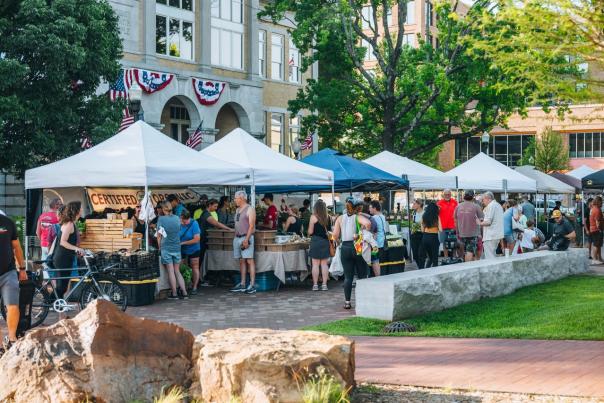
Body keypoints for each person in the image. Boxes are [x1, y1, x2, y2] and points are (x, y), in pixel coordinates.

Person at [332, 198, 371, 310]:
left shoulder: (340, 218)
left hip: (345, 247)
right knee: (362, 275)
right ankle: (362, 300)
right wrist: (362, 231)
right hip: (357, 247)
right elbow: (368, 223)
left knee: (348, 277)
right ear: (358, 208)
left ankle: (347, 302)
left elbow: (335, 235)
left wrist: (340, 242)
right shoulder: (358, 217)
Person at [0, 214, 27, 352]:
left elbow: (16, 247)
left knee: (13, 305)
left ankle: (12, 339)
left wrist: (22, 268)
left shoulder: (7, 222)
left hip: (8, 272)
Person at [52, 201, 84, 313]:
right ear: (76, 210)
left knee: (63, 286)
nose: (82, 210)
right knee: (61, 286)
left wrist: (77, 250)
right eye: (81, 208)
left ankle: (58, 306)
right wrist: (76, 249)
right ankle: (50, 302)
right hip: (62, 258)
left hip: (66, 258)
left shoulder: (71, 223)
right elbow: (63, 242)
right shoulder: (69, 224)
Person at [197, 198, 233, 286]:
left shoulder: (208, 213)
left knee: (201, 260)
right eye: (215, 206)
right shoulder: (206, 214)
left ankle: (199, 279)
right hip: (202, 239)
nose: (216, 208)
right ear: (209, 205)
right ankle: (198, 280)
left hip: (204, 239)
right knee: (200, 260)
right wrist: (228, 228)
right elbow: (216, 223)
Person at [157, 201, 188, 300]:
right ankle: (184, 292)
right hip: (177, 247)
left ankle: (174, 293)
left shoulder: (161, 219)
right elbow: (178, 230)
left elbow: (159, 236)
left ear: (162, 209)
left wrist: (159, 247)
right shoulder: (176, 218)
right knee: (177, 271)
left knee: (170, 271)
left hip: (166, 247)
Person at [230, 191, 257, 294]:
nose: (234, 200)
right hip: (237, 238)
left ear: (242, 198)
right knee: (241, 261)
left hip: (246, 237)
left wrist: (247, 239)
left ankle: (252, 285)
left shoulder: (250, 209)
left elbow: (251, 226)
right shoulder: (237, 210)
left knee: (249, 260)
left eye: (236, 198)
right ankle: (242, 284)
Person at [308, 200, 331, 291]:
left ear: (316, 208)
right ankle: (324, 285)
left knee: (315, 264)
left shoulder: (313, 217)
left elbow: (310, 232)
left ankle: (315, 285)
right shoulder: (328, 217)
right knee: (324, 264)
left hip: (315, 241)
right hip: (325, 242)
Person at [454, 190, 484, 262]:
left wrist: (457, 231)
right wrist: (481, 233)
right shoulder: (476, 206)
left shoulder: (458, 206)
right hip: (473, 234)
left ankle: (465, 265)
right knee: (469, 251)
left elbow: (455, 220)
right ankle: (467, 268)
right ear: (473, 197)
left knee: (464, 252)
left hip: (461, 233)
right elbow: (482, 220)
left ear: (464, 197)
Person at [179, 210, 201, 294]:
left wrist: (183, 243)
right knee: (181, 266)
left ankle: (194, 287)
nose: (183, 222)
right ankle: (185, 285)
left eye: (184, 220)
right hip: (181, 249)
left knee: (194, 266)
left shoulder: (194, 223)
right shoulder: (179, 223)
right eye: (181, 220)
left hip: (194, 248)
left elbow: (197, 239)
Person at [478, 192, 504, 259]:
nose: (482, 202)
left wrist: (479, 223)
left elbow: (488, 222)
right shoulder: (498, 205)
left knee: (490, 257)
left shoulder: (491, 206)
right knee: (492, 255)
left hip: (490, 235)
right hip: (496, 234)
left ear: (488, 198)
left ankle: (492, 269)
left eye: (483, 200)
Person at [417, 202, 441, 269]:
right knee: (435, 257)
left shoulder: (424, 216)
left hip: (425, 237)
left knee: (429, 256)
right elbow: (441, 229)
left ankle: (425, 270)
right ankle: (434, 272)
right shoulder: (437, 217)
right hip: (434, 237)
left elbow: (422, 230)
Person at [437, 189, 458, 258]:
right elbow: (436, 214)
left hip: (453, 227)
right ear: (443, 195)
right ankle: (446, 257)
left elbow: (458, 213)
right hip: (443, 227)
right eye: (445, 194)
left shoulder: (455, 202)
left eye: (448, 194)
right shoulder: (439, 203)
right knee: (444, 242)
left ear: (450, 195)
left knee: (454, 242)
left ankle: (454, 256)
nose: (447, 196)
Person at [369, 200, 387, 277]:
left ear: (374, 208)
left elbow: (373, 231)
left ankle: (377, 277)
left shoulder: (374, 218)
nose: (369, 209)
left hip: (375, 244)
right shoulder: (382, 216)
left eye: (370, 207)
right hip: (382, 242)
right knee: (377, 261)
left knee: (375, 261)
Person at [589, 196, 603, 263]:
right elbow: (597, 222)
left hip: (593, 229)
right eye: (601, 201)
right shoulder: (597, 210)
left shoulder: (593, 208)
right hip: (596, 229)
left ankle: (599, 258)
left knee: (598, 245)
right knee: (596, 245)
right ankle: (594, 259)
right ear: (598, 202)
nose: (602, 203)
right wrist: (600, 229)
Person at [410, 198, 424, 263]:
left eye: (415, 204)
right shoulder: (413, 213)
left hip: (422, 235)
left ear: (419, 204)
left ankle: (422, 268)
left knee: (421, 253)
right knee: (415, 254)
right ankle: (420, 267)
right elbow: (412, 223)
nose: (413, 205)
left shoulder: (424, 213)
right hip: (414, 234)